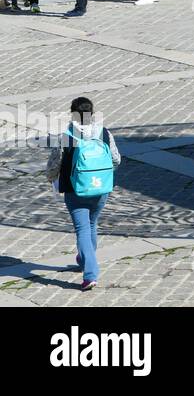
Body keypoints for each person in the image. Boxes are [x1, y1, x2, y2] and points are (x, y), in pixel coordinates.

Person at [44, 96, 121, 292]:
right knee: (92, 224)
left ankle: (90, 274)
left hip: (75, 190)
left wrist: (51, 179)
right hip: (100, 190)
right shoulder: (104, 133)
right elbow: (116, 160)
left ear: (73, 114)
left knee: (82, 229)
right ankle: (84, 258)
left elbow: (54, 165)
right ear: (92, 113)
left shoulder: (67, 136)